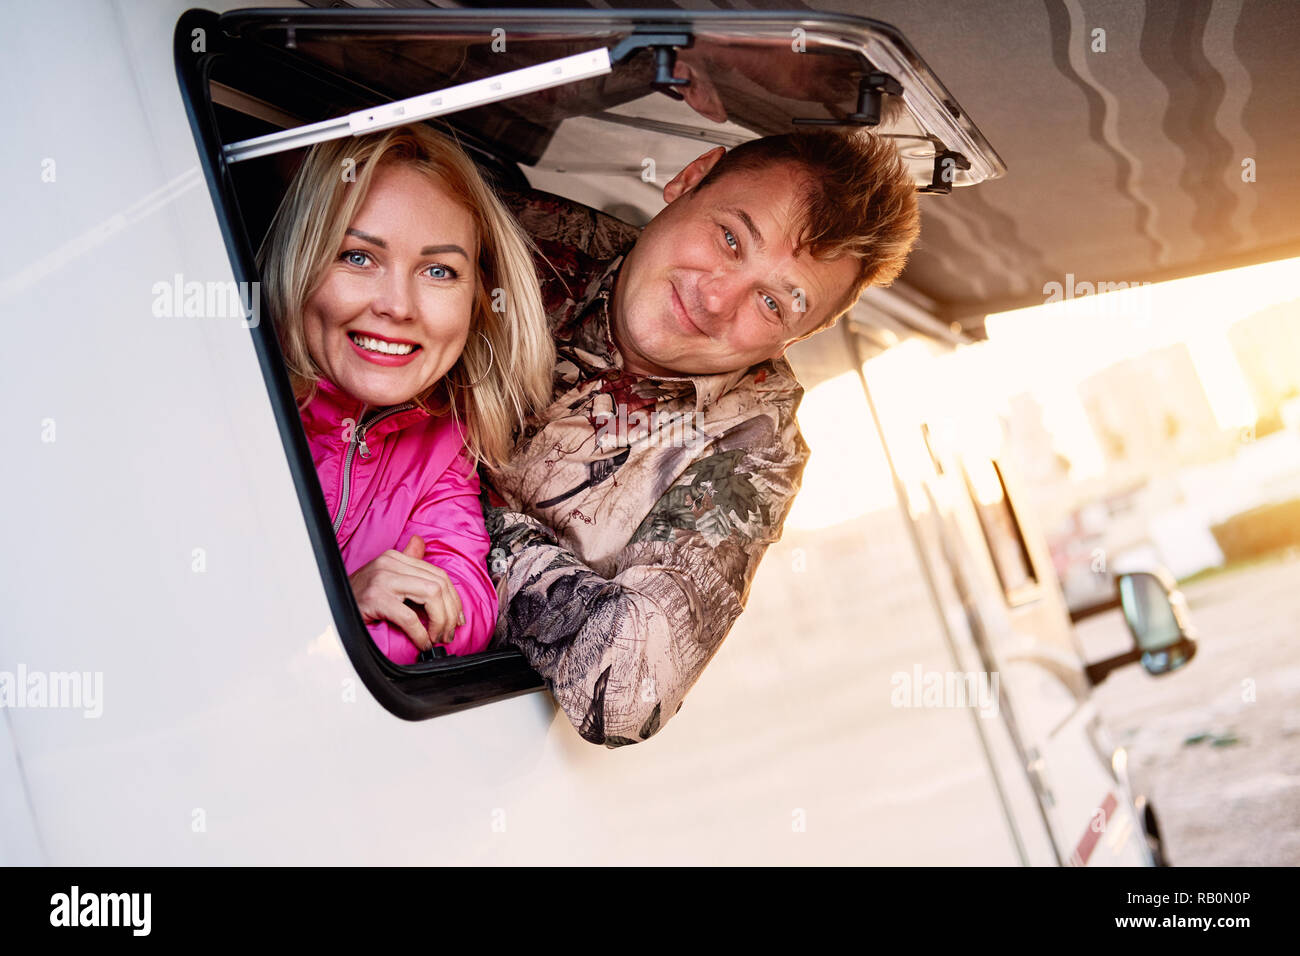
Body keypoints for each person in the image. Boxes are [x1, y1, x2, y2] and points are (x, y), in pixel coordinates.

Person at [482, 129, 922, 746]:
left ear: (795, 340)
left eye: (773, 304)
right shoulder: (507, 236)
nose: (715, 299)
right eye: (731, 239)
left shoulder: (754, 447)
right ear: (690, 177)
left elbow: (626, 689)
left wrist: (449, 507)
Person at [259, 124, 554, 664]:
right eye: (357, 257)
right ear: (299, 263)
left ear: (477, 301)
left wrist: (366, 624)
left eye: (439, 270)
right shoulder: (225, 400)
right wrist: (340, 607)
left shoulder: (444, 444)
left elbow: (452, 605)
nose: (398, 305)